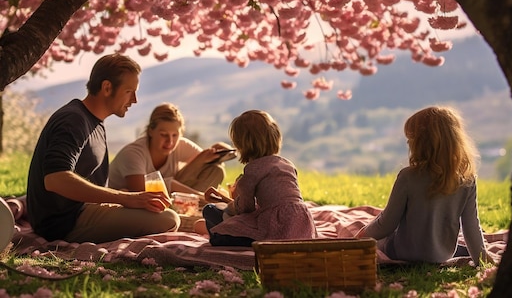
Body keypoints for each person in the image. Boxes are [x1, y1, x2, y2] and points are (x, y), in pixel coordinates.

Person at [26, 53, 181, 244]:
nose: (134, 100)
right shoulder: (73, 120)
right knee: (169, 219)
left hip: (85, 211)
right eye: (129, 91)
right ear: (107, 87)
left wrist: (126, 197)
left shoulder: (94, 122)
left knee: (159, 210)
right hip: (64, 223)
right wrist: (125, 199)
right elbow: (56, 179)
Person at [356, 106, 495, 266]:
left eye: (411, 139)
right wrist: (483, 260)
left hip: (403, 252)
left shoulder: (408, 176)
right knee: (461, 247)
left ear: (422, 144)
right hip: (442, 255)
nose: (408, 143)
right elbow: (471, 227)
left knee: (380, 240)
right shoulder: (467, 180)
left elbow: (387, 223)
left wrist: (361, 235)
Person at [193, 110, 317, 246]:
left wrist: (231, 202)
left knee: (210, 210)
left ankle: (222, 237)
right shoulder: (287, 164)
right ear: (275, 136)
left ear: (241, 145)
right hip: (302, 224)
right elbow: (277, 199)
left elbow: (246, 209)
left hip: (274, 228)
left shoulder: (252, 170)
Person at [108, 103, 234, 197]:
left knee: (216, 169)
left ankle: (190, 208)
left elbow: (215, 161)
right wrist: (201, 197)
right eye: (164, 135)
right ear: (151, 131)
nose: (170, 141)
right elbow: (141, 194)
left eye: (175, 135)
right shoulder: (134, 154)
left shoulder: (180, 145)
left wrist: (210, 153)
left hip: (167, 200)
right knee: (167, 184)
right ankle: (198, 203)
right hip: (135, 204)